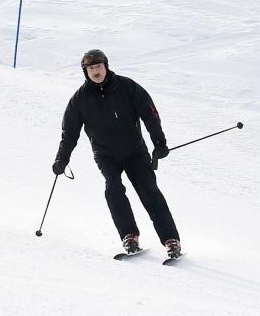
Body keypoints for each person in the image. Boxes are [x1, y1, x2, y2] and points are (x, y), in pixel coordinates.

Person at [52, 49, 182, 259]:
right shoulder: (79, 100)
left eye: (98, 67)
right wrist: (62, 159)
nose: (95, 72)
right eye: (91, 68)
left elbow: (150, 113)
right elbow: (69, 134)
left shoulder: (127, 87)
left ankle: (171, 240)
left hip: (135, 151)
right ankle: (129, 236)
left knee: (149, 191)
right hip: (106, 155)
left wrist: (159, 142)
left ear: (106, 66)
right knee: (113, 189)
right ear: (85, 72)